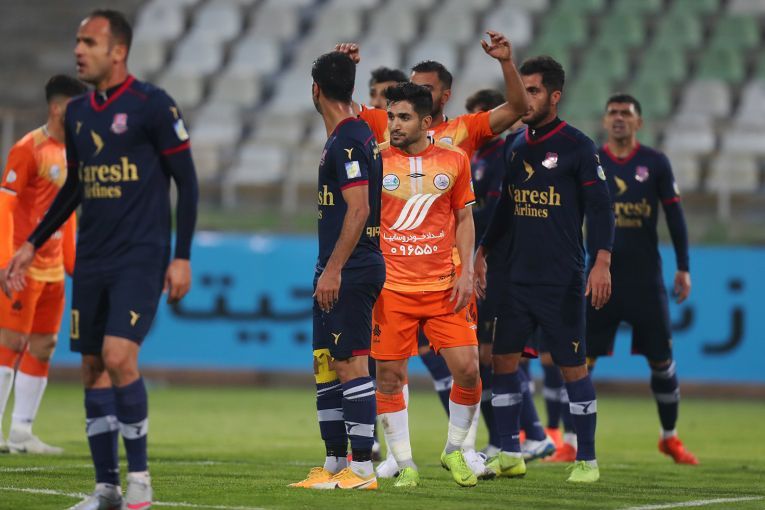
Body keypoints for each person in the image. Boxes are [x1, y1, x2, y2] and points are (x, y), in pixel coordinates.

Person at [3, 10, 199, 509]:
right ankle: (106, 488)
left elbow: (187, 181)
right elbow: (74, 187)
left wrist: (181, 256)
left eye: (89, 42)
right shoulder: (78, 114)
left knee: (117, 357)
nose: (78, 50)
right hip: (91, 257)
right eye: (77, 41)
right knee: (92, 368)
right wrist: (30, 243)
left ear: (118, 51)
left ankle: (140, 482)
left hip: (140, 256)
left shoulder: (153, 105)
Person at [475, 56, 615, 483]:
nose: (526, 98)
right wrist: (483, 251)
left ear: (555, 96)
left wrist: (601, 263)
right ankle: (510, 452)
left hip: (561, 279)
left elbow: (601, 208)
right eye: (523, 90)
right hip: (515, 278)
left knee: (572, 366)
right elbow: (505, 207)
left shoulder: (578, 146)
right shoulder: (515, 145)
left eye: (533, 90)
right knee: (502, 362)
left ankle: (586, 459)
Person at [371, 82, 479, 488]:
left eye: (404, 117)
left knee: (468, 370)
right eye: (391, 117)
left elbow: (465, 219)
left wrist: (467, 271)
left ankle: (454, 449)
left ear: (426, 122)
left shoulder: (454, 159)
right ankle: (405, 463)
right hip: (391, 289)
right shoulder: (376, 159)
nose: (394, 124)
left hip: (444, 287)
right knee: (389, 377)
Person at [289, 51, 385, 491]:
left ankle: (362, 468)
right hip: (336, 267)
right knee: (327, 364)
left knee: (351, 364)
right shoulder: (350, 134)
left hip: (349, 268)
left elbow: (359, 208)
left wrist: (333, 269)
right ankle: (333, 464)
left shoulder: (348, 140)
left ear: (316, 91)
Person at [587, 93, 697, 465]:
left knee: (661, 361)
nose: (619, 118)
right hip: (599, 277)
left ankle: (670, 437)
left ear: (639, 122)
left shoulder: (655, 162)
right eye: (613, 113)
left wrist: (683, 266)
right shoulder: (592, 161)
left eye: (626, 113)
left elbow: (675, 217)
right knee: (580, 362)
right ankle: (572, 440)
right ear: (605, 121)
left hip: (645, 280)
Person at [0, 75, 86, 454]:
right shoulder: (28, 149)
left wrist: (72, 263)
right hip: (23, 265)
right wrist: (5, 261)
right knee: (11, 341)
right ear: (57, 108)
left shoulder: (77, 152)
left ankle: (21, 431)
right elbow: (5, 205)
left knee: (44, 344)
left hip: (52, 270)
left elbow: (66, 213)